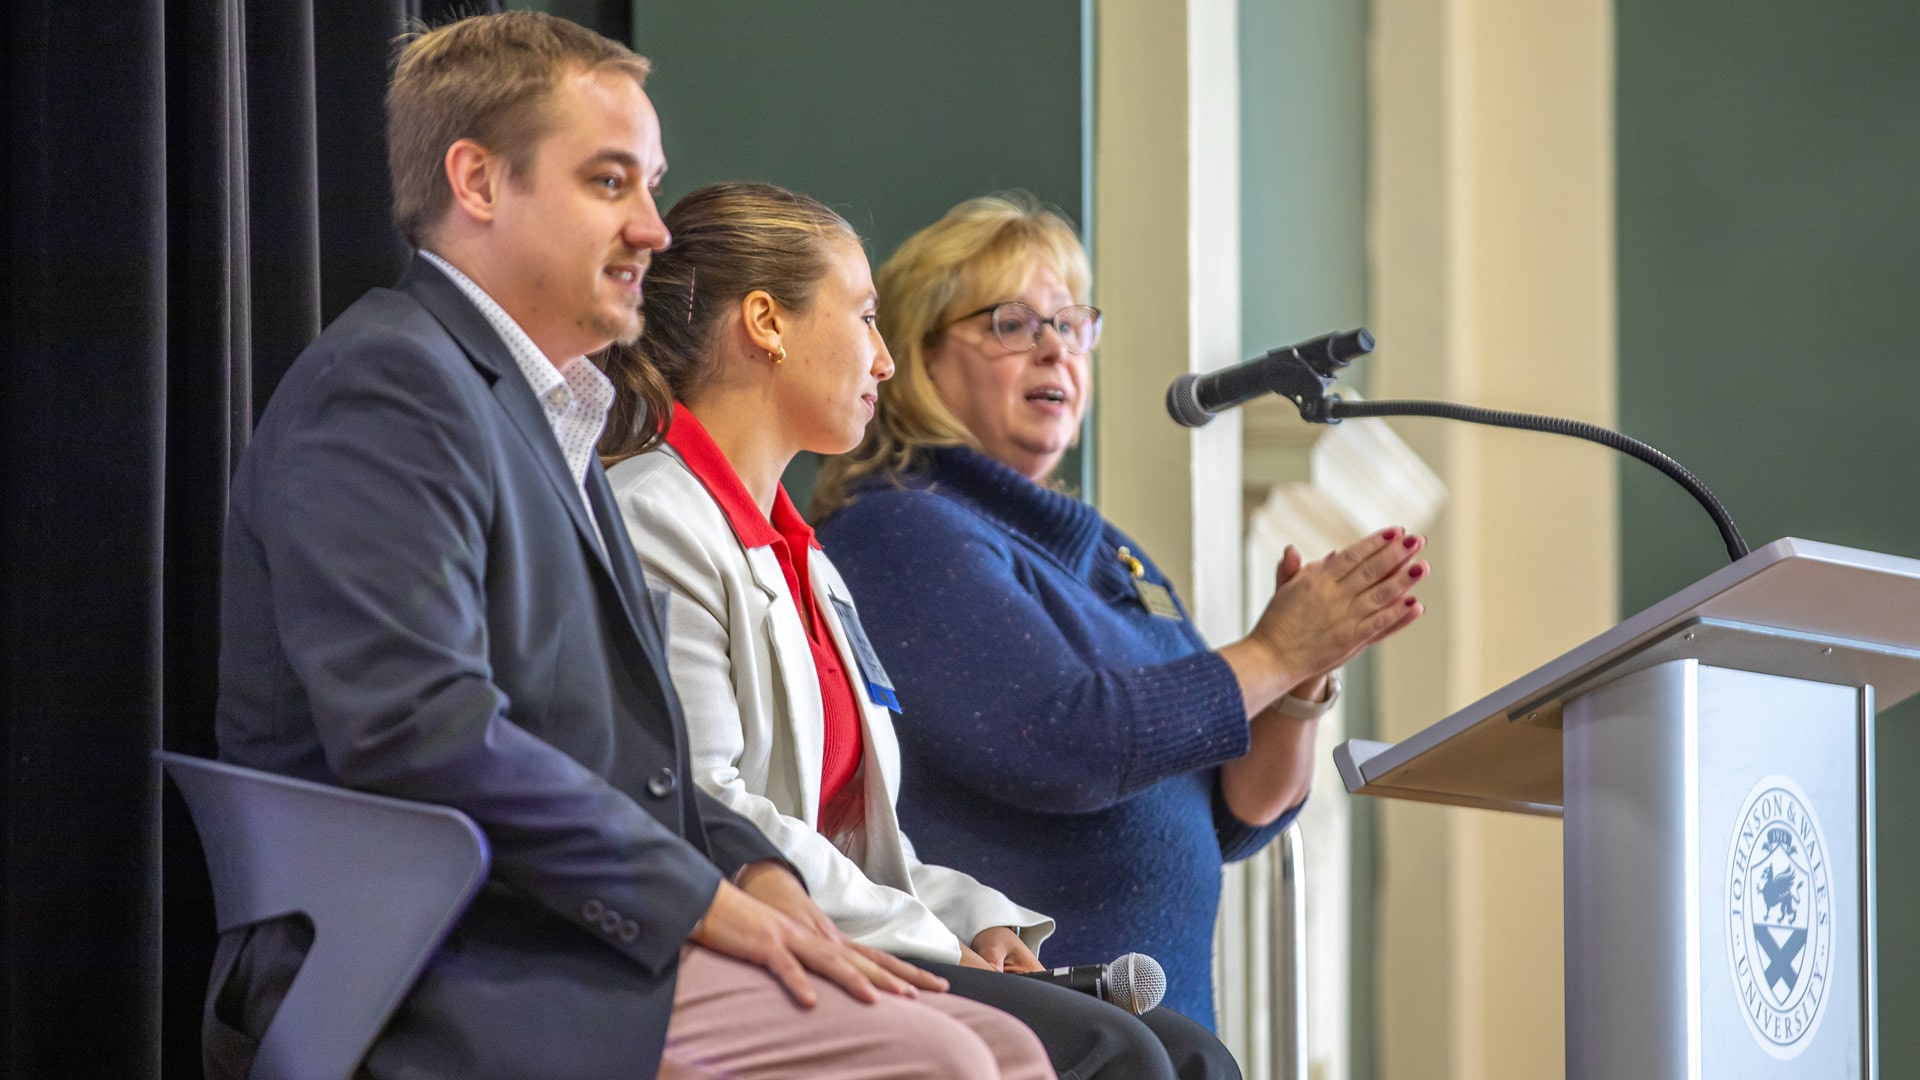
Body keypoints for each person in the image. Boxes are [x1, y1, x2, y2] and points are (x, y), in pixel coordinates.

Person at [209, 15, 1054, 1080]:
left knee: (1002, 1042)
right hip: (436, 951)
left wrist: (755, 874)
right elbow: (419, 728)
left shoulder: (550, 410)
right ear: (477, 181)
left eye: (651, 186)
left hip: (566, 933)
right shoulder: (389, 387)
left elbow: (635, 758)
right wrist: (700, 897)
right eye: (611, 183)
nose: (654, 230)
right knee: (950, 1061)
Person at [601, 181, 1240, 1080]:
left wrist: (976, 914)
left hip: (843, 927)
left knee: (1189, 1052)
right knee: (1115, 1053)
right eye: (863, 317)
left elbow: (861, 844)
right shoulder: (656, 519)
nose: (883, 359)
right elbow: (708, 814)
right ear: (766, 324)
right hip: (739, 947)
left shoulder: (807, 561)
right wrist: (928, 938)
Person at [812, 193, 1431, 1029]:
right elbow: (1060, 739)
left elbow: (1232, 814)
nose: (1054, 350)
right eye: (1011, 324)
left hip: (1149, 1029)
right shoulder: (899, 527)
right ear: (920, 355)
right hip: (1020, 1026)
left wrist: (1299, 684)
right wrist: (1274, 652)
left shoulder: (1109, 556)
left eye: (1071, 325)